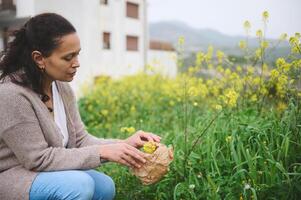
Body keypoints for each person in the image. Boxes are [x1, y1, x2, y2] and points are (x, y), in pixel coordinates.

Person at [0, 13, 161, 200]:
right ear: (39, 59)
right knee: (79, 186)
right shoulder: (11, 95)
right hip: (12, 177)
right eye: (68, 57)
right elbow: (37, 159)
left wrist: (123, 145)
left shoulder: (61, 87)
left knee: (104, 186)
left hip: (41, 172)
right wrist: (103, 152)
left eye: (77, 54)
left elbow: (80, 140)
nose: (77, 64)